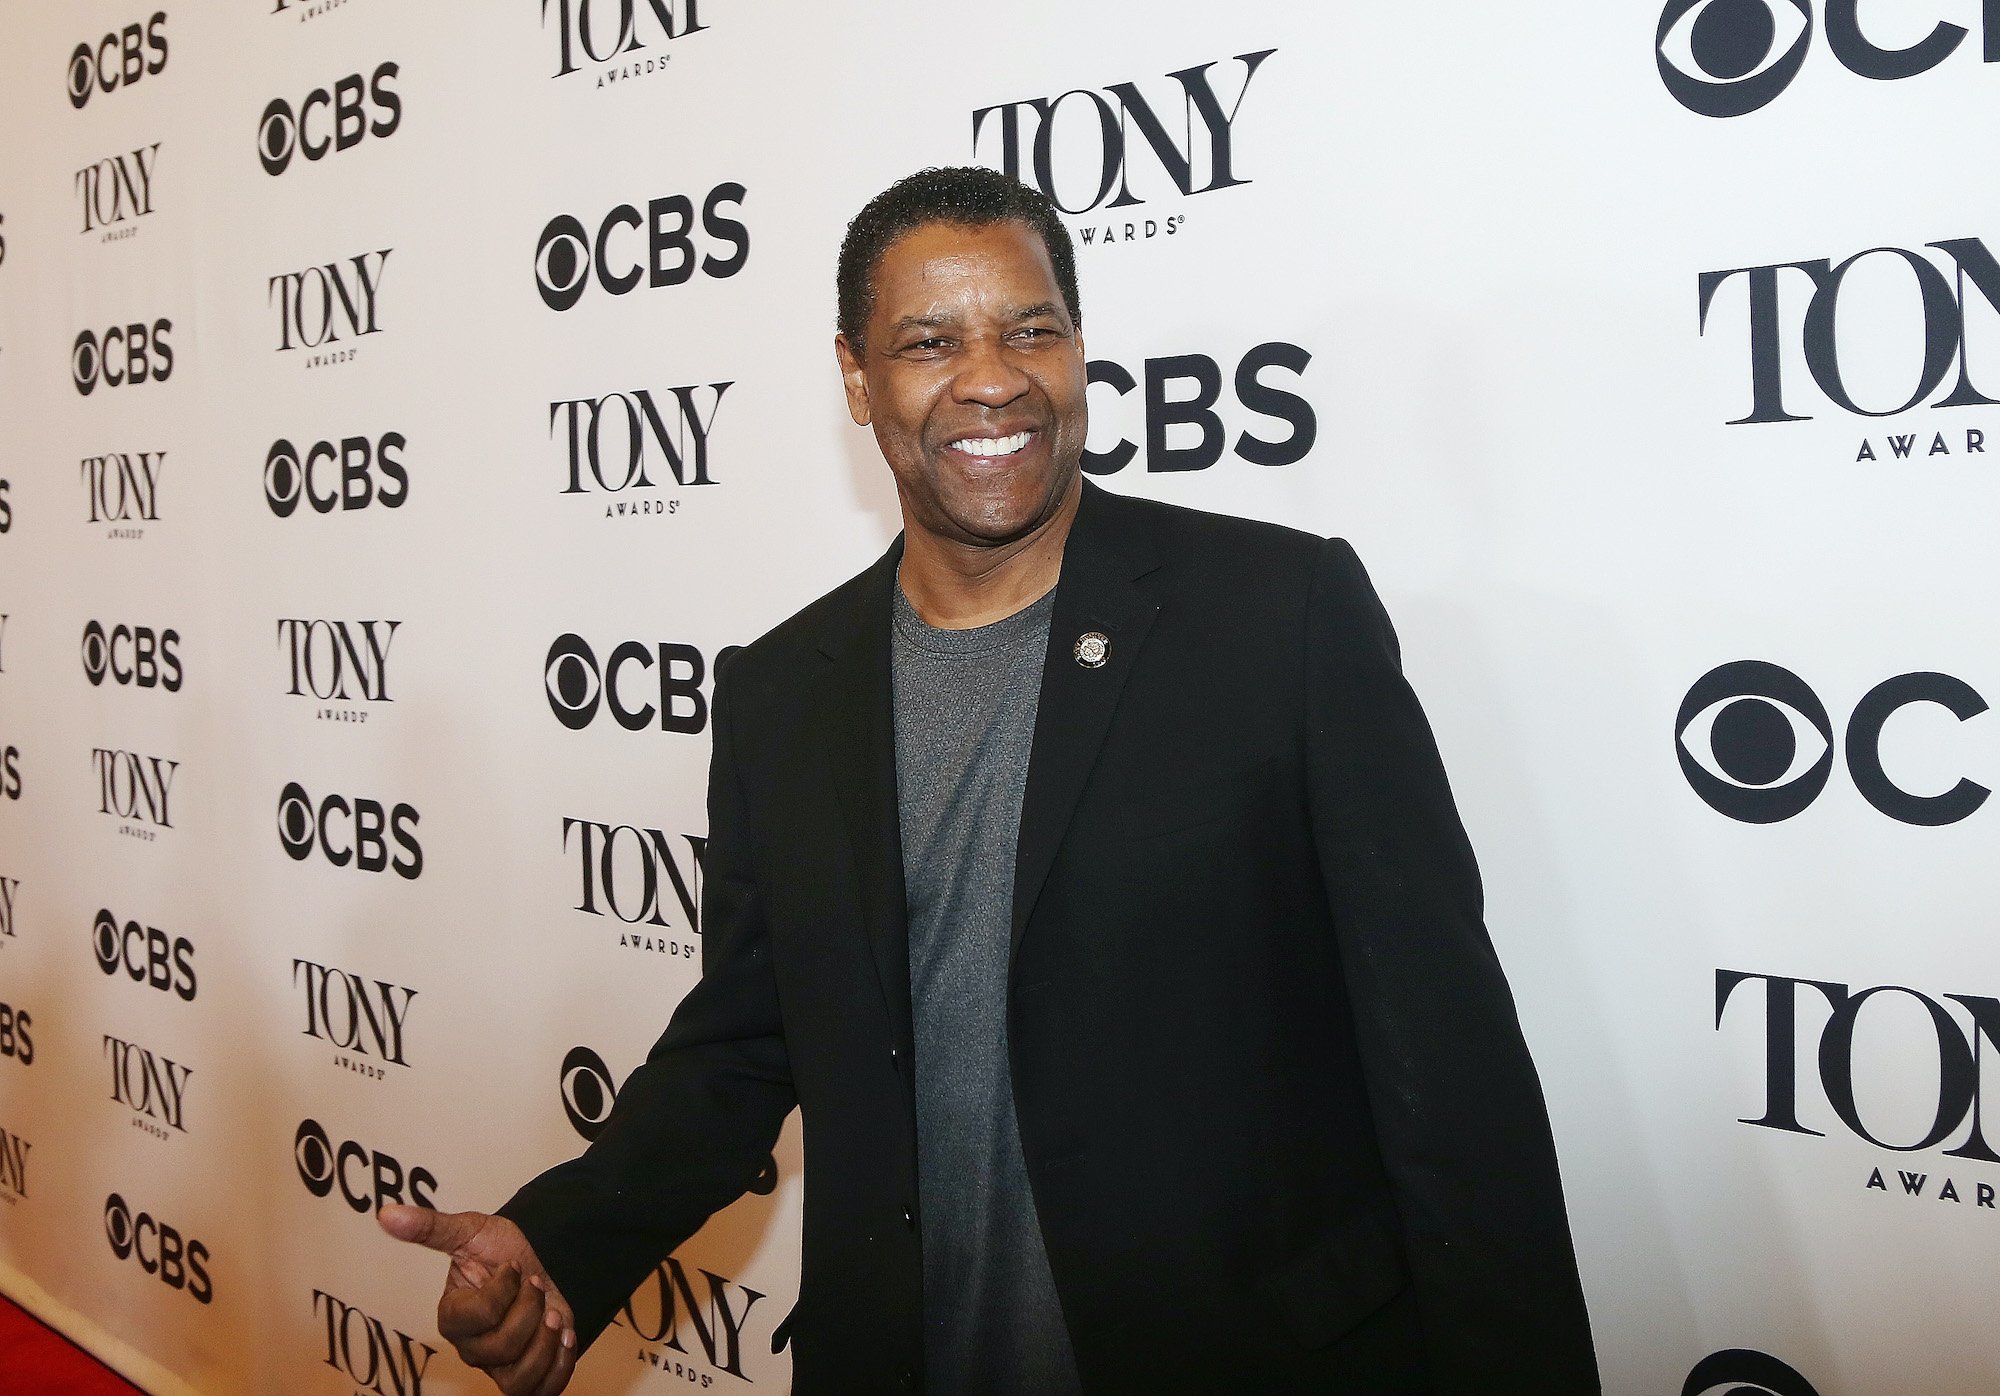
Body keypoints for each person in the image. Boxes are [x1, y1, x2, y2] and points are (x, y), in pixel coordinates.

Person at [379, 166, 1600, 1396]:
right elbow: (743, 1040)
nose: (991, 378)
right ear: (857, 379)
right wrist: (564, 1238)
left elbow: (1446, 1068)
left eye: (1030, 330)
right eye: (929, 342)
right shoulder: (778, 692)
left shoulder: (1277, 615)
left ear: (1077, 349)